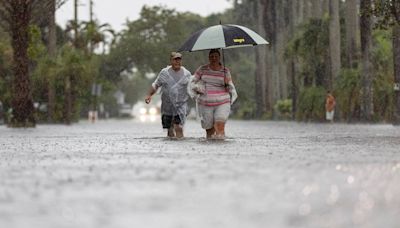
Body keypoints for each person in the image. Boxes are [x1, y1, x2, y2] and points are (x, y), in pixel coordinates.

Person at [190, 49, 238, 139]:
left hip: (223, 102)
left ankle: (221, 146)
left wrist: (227, 83)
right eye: (211, 56)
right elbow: (193, 82)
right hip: (205, 103)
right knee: (209, 131)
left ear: (219, 57)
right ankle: (211, 150)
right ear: (209, 58)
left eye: (216, 56)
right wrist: (197, 88)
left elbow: (229, 88)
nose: (214, 58)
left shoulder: (225, 71)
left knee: (220, 125)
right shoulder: (202, 69)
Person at [145, 52, 191, 138]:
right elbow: (156, 85)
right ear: (171, 61)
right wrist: (149, 95)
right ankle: (171, 144)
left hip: (180, 106)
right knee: (170, 129)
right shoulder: (164, 73)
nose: (177, 62)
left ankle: (180, 143)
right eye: (175, 60)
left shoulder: (186, 74)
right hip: (167, 106)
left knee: (178, 127)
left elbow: (191, 87)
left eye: (179, 60)